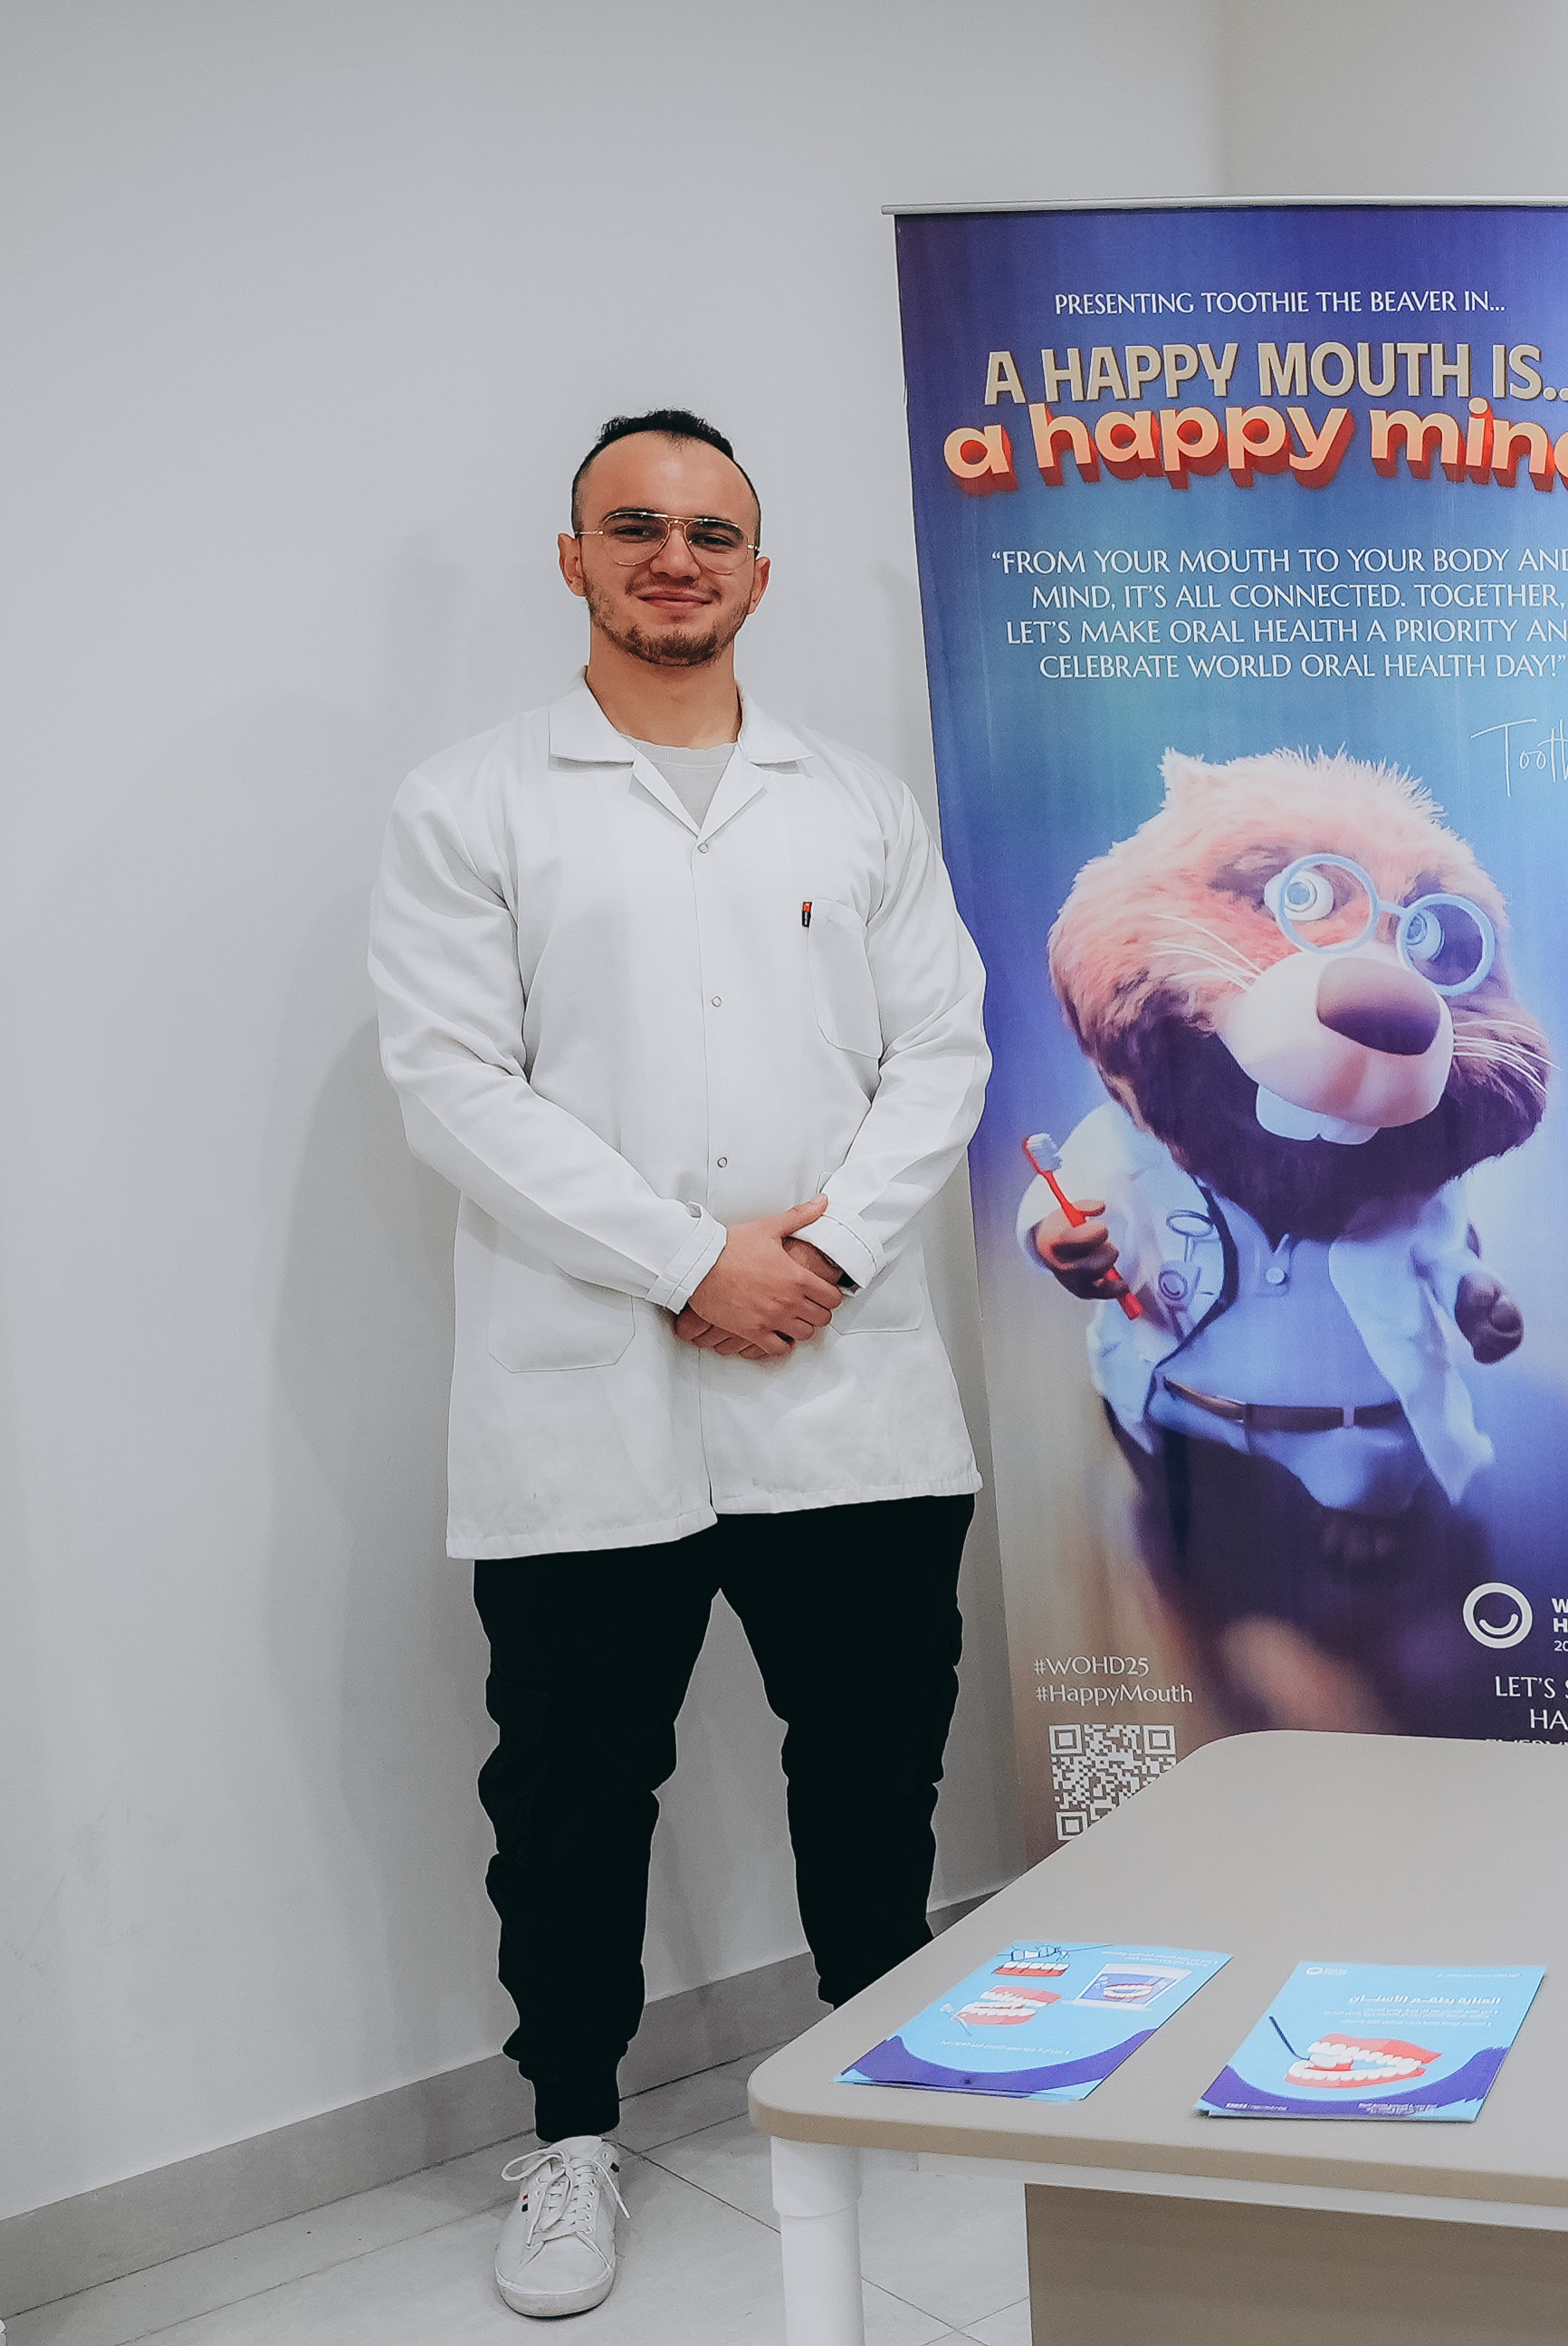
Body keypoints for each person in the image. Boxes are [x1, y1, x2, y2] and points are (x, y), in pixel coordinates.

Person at [369, 410, 990, 2319]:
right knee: (571, 1795)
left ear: (757, 570)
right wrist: (687, 1259)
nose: (674, 557)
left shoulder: (855, 804)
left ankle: (877, 2067)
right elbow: (451, 1084)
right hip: (588, 1392)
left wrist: (816, 1252)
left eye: (711, 532)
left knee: (872, 1763)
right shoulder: (471, 804)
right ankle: (569, 2134)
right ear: (572, 558)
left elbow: (943, 1054)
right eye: (633, 526)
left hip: (845, 1383)